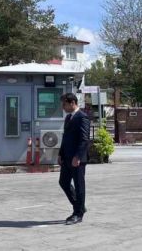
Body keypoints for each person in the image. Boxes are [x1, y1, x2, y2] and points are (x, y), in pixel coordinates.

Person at [57, 93, 90, 225]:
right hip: (67, 157)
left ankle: (78, 213)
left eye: (64, 104)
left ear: (72, 103)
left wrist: (77, 156)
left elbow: (84, 139)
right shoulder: (68, 118)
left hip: (78, 159)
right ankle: (80, 205)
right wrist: (60, 154)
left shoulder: (83, 117)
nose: (63, 107)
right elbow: (65, 138)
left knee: (79, 185)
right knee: (63, 182)